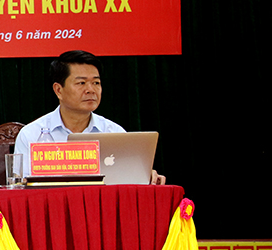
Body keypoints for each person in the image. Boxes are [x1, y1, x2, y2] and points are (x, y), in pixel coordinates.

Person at [14, 50, 165, 184]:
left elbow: (129, 181)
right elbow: (21, 186)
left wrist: (145, 177)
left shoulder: (114, 133)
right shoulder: (32, 134)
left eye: (96, 83)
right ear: (58, 90)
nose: (91, 90)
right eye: (81, 83)